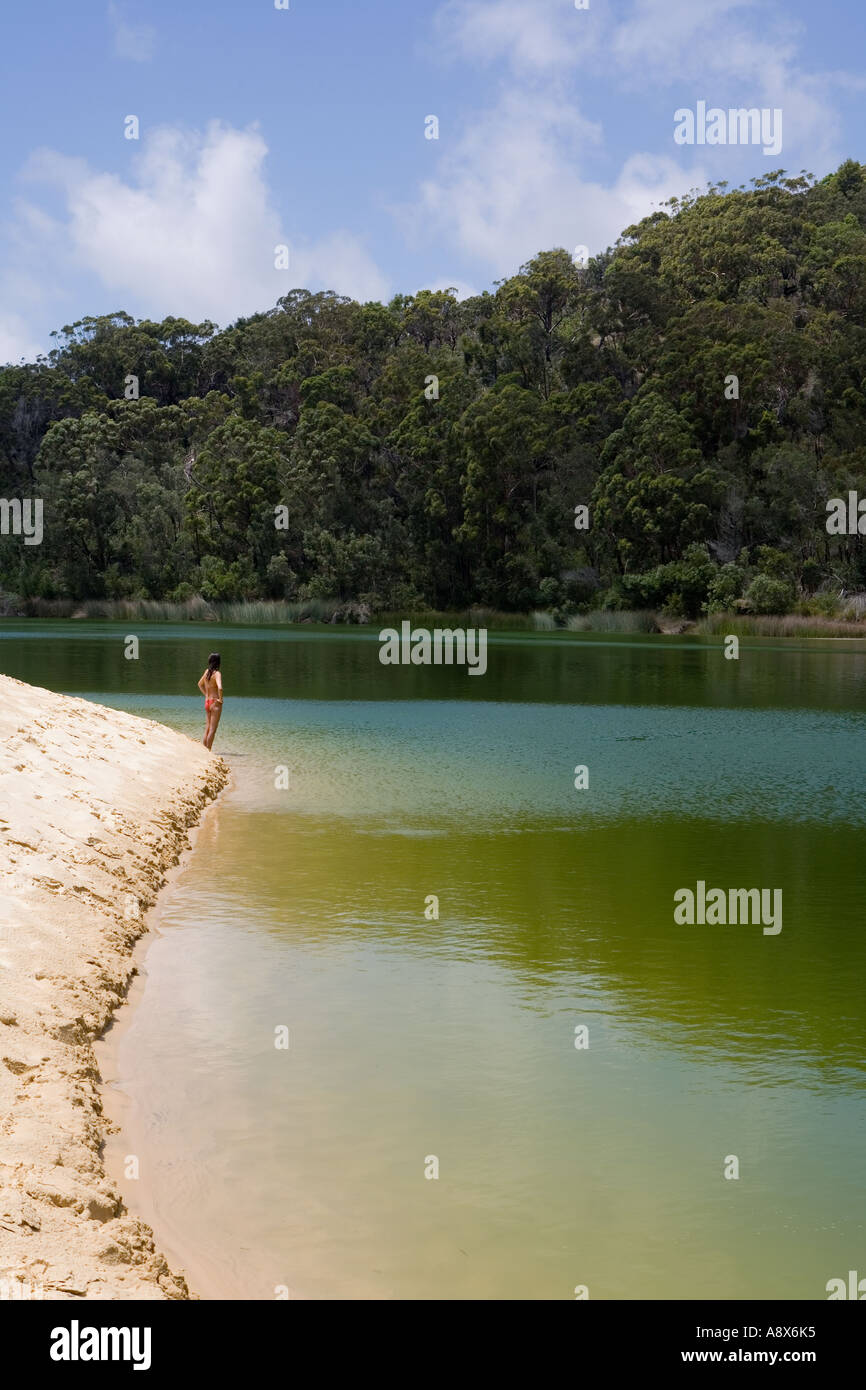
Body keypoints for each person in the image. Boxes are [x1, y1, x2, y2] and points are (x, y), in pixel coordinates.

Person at [198, 653, 223, 750]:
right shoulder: (217, 674)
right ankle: (208, 751)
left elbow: (199, 684)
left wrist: (205, 695)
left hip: (207, 702)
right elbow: (220, 688)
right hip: (215, 703)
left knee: (207, 728)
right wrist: (220, 699)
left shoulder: (207, 672)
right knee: (213, 730)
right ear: (218, 662)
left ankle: (204, 750)